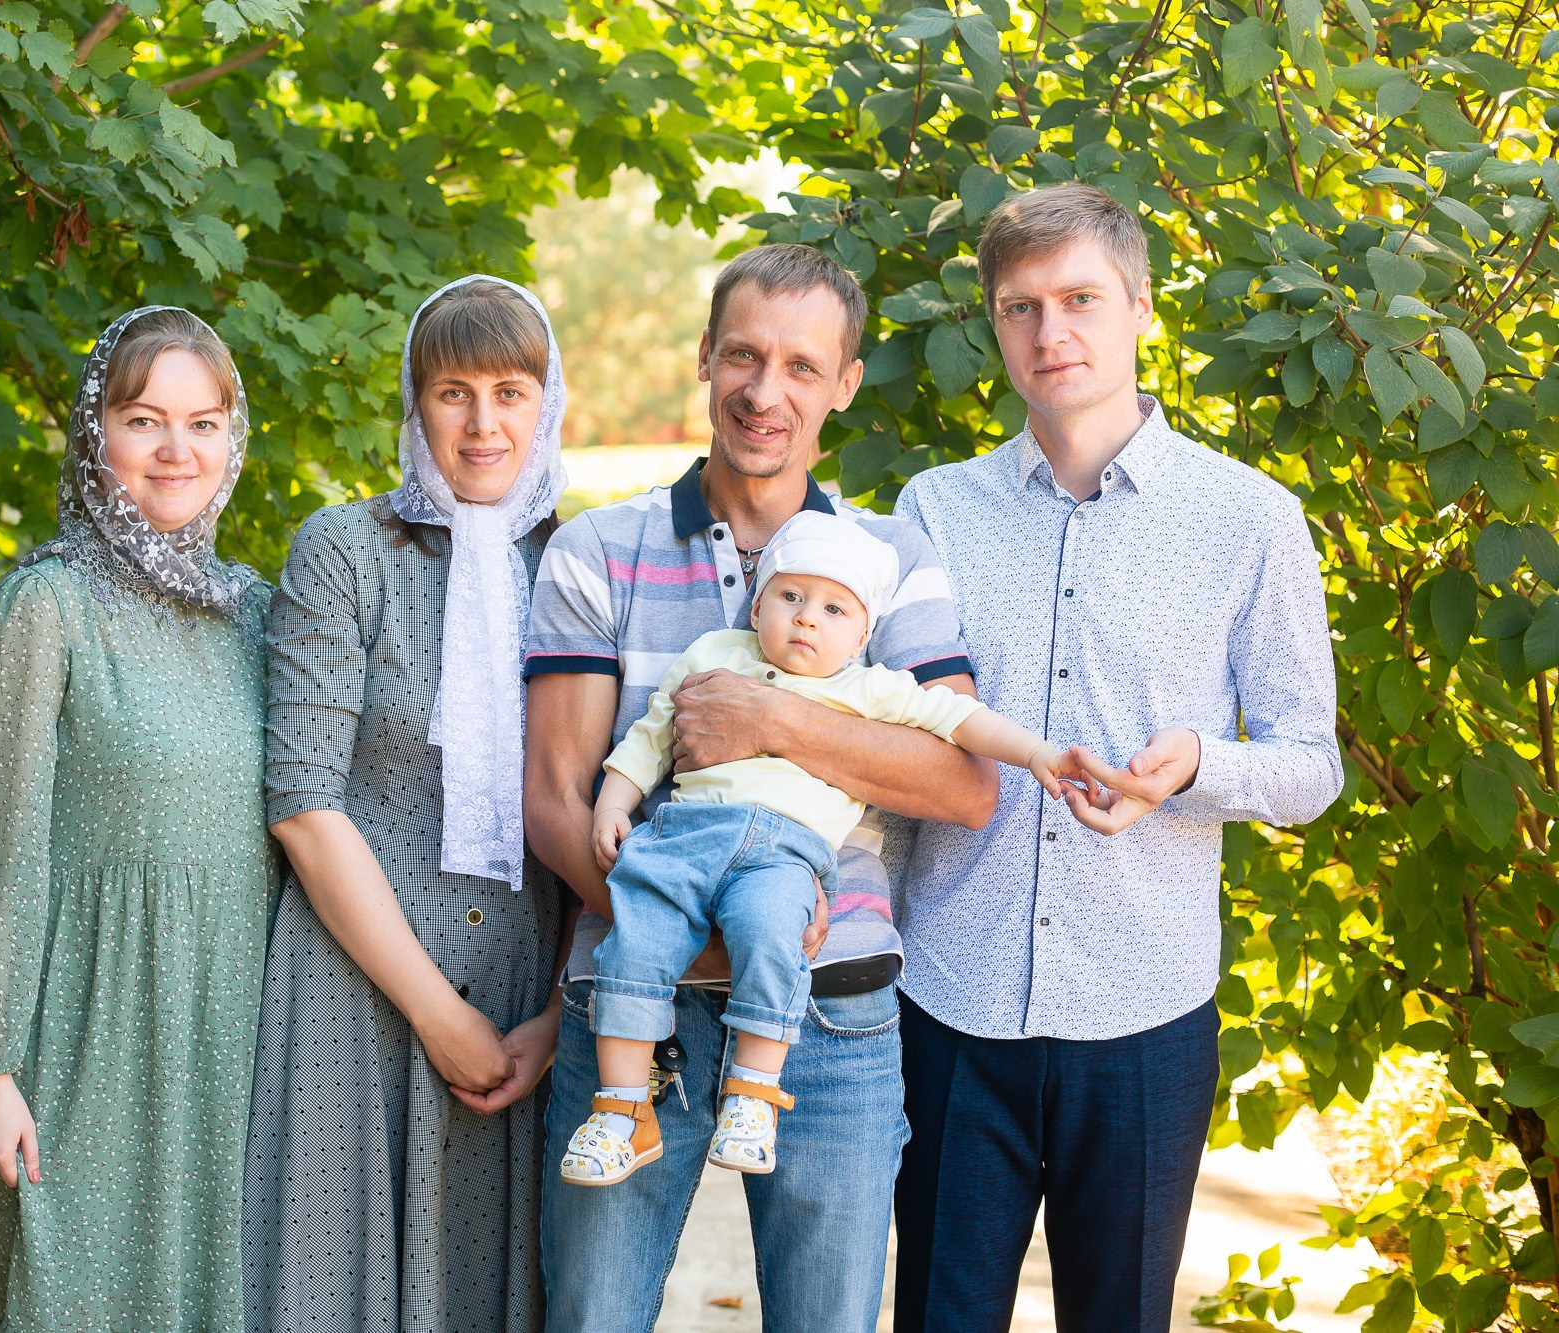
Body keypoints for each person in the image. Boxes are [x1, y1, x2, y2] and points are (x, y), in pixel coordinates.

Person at [888, 182, 1342, 1332]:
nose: (1050, 334)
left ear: (1139, 306)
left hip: (1144, 1014)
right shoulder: (932, 511)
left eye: (1079, 298)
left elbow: (1309, 763)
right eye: (1018, 307)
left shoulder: (1248, 519)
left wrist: (1195, 765)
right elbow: (893, 732)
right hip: (950, 1004)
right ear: (992, 325)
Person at [525, 243, 998, 1332]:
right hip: (629, 1019)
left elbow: (964, 785)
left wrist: (774, 716)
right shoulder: (600, 550)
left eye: (798, 365)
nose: (762, 390)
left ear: (842, 384)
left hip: (828, 1019)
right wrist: (693, 948)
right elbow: (555, 798)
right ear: (704, 357)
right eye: (741, 354)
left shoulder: (891, 564)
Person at [0, 306, 275, 1330]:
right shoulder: (45, 606)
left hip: (232, 1032)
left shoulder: (251, 613)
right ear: (93, 434)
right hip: (81, 1035)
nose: (176, 450)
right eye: (142, 419)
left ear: (232, 438)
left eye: (203, 422)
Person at [559, 511, 1069, 1187]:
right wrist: (614, 804)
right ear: (759, 602)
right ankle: (623, 1111)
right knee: (633, 941)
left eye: (833, 608)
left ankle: (753, 1094)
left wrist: (1036, 752)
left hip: (782, 854)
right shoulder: (715, 653)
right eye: (790, 596)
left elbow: (960, 719)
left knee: (774, 932)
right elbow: (652, 736)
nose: (806, 618)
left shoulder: (866, 689)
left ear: (861, 633)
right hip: (682, 838)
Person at [243, 276, 568, 1332]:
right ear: (412, 403)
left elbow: (614, 805)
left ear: (548, 402)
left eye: (510, 392)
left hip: (527, 993)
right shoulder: (343, 550)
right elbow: (300, 800)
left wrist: (557, 1018)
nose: (482, 424)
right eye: (452, 392)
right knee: (327, 1290)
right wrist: (436, 1011)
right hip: (355, 983)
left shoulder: (575, 562)